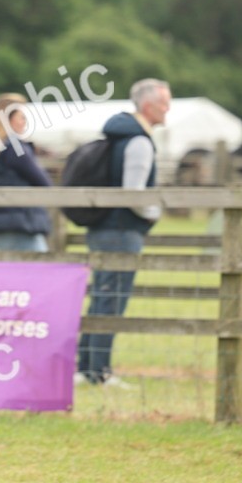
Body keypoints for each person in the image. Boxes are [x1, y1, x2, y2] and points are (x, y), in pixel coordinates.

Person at [76, 78, 171, 386]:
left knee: (101, 297)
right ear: (147, 105)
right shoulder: (139, 141)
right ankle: (99, 372)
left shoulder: (119, 136)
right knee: (112, 300)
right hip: (122, 230)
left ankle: (87, 367)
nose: (167, 108)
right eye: (163, 103)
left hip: (104, 228)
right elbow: (134, 194)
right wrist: (156, 212)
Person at [0, 93, 52, 252]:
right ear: (7, 119)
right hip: (18, 225)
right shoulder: (14, 146)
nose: (24, 123)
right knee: (39, 273)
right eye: (22, 118)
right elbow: (44, 182)